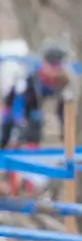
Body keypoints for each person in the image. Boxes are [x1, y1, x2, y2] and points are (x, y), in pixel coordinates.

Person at [0, 41, 70, 195]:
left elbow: (67, 117)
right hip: (27, 140)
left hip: (52, 142)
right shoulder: (28, 82)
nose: (54, 70)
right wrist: (19, 128)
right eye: (51, 64)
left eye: (57, 65)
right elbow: (14, 111)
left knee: (46, 182)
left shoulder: (65, 87)